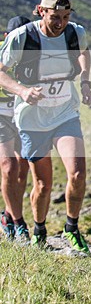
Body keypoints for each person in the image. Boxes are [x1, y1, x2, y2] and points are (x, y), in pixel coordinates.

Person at [0, 0, 91, 254]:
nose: (60, 23)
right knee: (43, 184)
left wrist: (85, 81)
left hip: (65, 113)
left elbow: (83, 52)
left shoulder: (75, 32)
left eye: (65, 17)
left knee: (77, 173)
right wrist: (22, 90)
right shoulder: (22, 37)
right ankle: (39, 229)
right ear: (41, 11)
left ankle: (72, 228)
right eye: (55, 17)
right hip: (32, 119)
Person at [0, 16, 32, 244]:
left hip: (24, 117)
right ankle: (19, 224)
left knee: (22, 170)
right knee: (9, 167)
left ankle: (8, 216)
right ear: (6, 38)